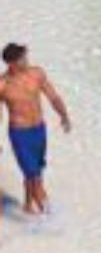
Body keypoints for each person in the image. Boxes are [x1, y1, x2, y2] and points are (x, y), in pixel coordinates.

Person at [3, 42, 73, 219]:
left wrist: (64, 115)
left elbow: (53, 96)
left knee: (36, 173)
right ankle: (47, 216)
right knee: (33, 176)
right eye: (22, 59)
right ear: (11, 63)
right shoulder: (2, 85)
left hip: (39, 130)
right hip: (20, 134)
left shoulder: (37, 73)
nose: (26, 61)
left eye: (25, 57)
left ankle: (28, 207)